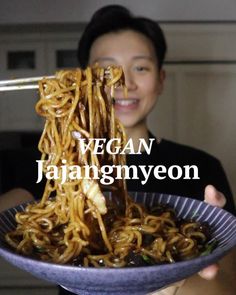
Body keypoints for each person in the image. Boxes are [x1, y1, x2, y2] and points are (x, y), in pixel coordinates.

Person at [0, 4, 235, 295]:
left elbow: (226, 284)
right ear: (84, 80)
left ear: (160, 80)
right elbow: (10, 218)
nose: (123, 83)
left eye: (141, 67)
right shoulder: (56, 164)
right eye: (106, 70)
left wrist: (181, 274)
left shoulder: (201, 166)